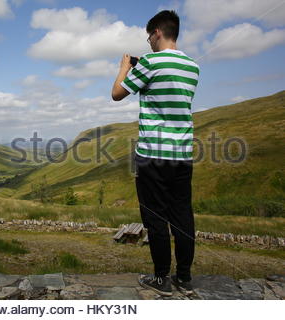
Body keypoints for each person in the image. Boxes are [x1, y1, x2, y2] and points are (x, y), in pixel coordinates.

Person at [111, 10, 200, 297]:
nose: (148, 41)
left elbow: (116, 93)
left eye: (149, 35)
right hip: (182, 154)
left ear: (158, 32)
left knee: (155, 218)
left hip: (152, 155)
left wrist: (125, 66)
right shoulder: (192, 66)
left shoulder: (148, 62)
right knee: (183, 216)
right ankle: (184, 277)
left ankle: (161, 278)